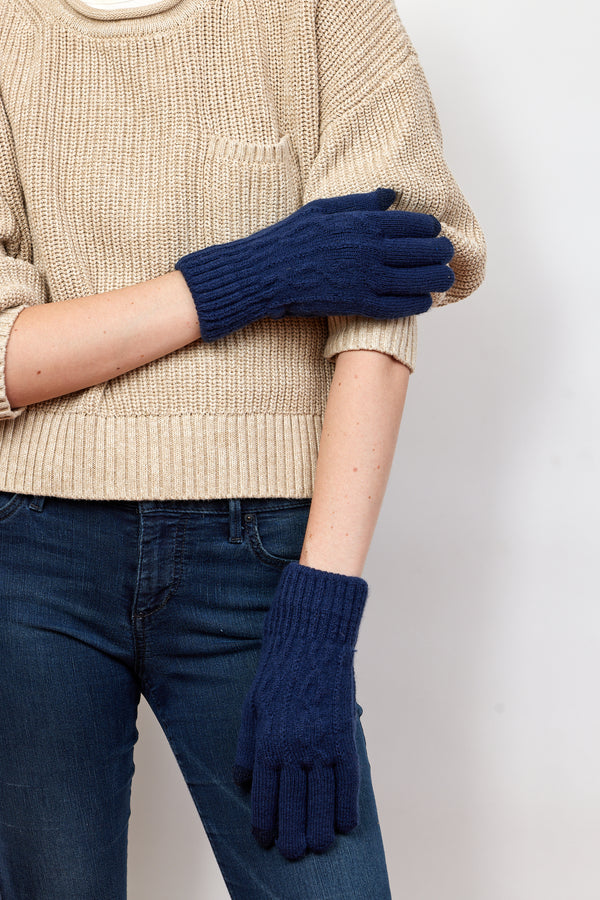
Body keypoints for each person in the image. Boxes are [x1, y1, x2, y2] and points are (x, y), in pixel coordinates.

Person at [0, 0, 486, 896]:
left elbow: (388, 291)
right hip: (31, 558)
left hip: (262, 559)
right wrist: (250, 277)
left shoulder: (324, 13)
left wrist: (320, 614)